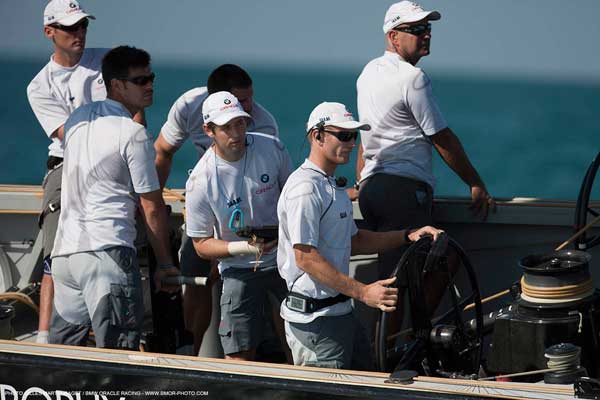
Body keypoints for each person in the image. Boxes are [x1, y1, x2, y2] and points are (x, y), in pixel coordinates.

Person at [277, 101, 442, 369]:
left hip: (341, 315)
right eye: (343, 135)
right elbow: (305, 257)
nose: (352, 143)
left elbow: (355, 240)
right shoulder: (305, 189)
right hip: (317, 323)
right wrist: (364, 292)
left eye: (353, 136)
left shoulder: (331, 187)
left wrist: (408, 234)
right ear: (317, 136)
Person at [355, 1, 496, 280]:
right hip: (403, 191)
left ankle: (401, 325)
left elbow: (366, 135)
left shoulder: (368, 72)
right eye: (417, 29)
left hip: (372, 190)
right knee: (415, 269)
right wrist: (475, 183)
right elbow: (442, 138)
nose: (427, 34)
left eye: (427, 28)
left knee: (395, 270)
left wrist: (362, 182)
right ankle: (417, 326)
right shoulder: (413, 77)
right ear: (393, 36)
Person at [48, 46, 178, 349]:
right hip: (107, 255)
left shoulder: (78, 119)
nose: (150, 85)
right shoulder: (132, 134)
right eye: (140, 80)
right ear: (117, 85)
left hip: (66, 257)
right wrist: (165, 264)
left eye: (151, 78)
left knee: (62, 360)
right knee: (119, 356)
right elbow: (150, 205)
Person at [153, 64, 279, 354]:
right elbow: (162, 150)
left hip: (247, 211)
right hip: (206, 199)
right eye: (241, 101)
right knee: (193, 271)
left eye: (249, 99)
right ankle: (191, 350)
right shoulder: (188, 106)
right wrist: (153, 201)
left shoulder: (264, 124)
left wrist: (233, 244)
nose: (249, 108)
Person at [185, 91, 291, 361]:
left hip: (284, 259)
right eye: (227, 127)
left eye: (240, 123)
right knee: (239, 353)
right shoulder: (200, 180)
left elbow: (293, 198)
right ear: (208, 130)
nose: (236, 133)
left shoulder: (272, 148)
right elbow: (200, 244)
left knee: (296, 341)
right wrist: (243, 247)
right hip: (238, 269)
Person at [26, 0, 107, 345]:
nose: (80, 33)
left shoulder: (107, 61)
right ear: (50, 32)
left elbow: (137, 111)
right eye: (71, 27)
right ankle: (46, 337)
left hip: (112, 162)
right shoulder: (39, 86)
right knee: (56, 249)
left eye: (83, 26)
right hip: (67, 164)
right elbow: (68, 135)